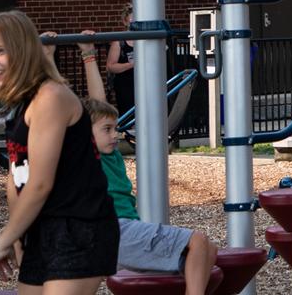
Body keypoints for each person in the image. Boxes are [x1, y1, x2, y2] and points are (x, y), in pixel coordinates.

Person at [0, 10, 117, 293]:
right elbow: (16, 175)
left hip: (80, 227)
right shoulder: (19, 103)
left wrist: (5, 239)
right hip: (40, 227)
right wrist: (19, 233)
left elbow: (40, 182)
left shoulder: (51, 97)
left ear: (22, 51)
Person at [69, 33, 215, 295]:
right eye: (107, 129)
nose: (116, 135)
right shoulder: (87, 154)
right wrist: (85, 56)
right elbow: (95, 103)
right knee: (199, 242)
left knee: (209, 252)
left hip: (125, 228)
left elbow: (100, 106)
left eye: (115, 129)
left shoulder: (109, 154)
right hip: (113, 229)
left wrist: (89, 51)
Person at [102, 6, 136, 114]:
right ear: (125, 22)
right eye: (132, 21)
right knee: (128, 116)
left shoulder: (145, 40)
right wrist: (131, 65)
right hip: (125, 86)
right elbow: (110, 66)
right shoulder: (119, 42)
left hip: (145, 85)